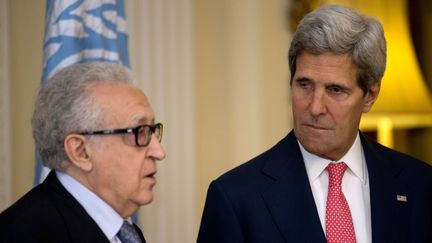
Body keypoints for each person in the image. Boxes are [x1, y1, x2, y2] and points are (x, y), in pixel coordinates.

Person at [197, 4, 432, 243]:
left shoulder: (420, 185)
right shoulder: (236, 198)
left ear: (370, 96)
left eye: (335, 89)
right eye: (304, 85)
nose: (315, 107)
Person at [0, 62, 166, 242]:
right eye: (139, 132)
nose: (159, 152)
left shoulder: (126, 232)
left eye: (151, 130)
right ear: (81, 151)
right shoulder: (20, 235)